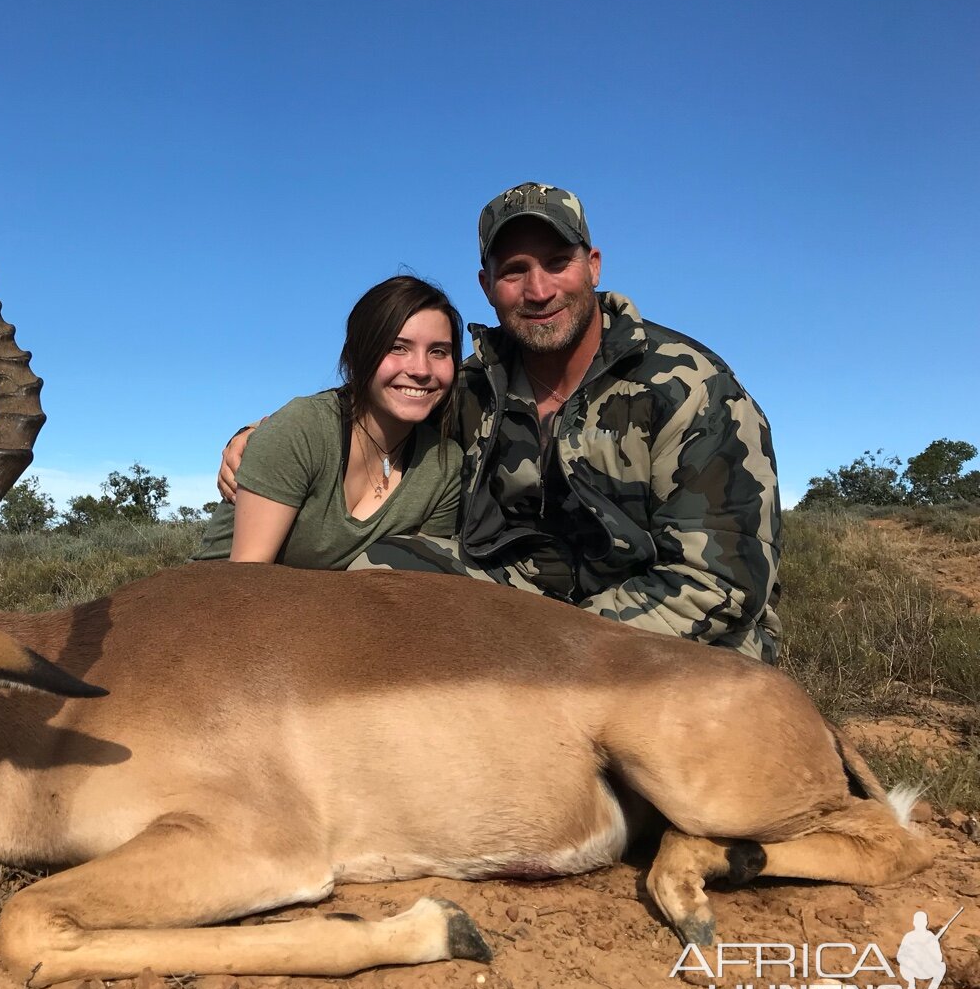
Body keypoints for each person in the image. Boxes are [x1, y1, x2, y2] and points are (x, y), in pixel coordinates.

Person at [219, 182, 782, 662]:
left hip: (655, 622)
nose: (538, 291)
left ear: (593, 266)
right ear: (487, 287)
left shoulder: (689, 387)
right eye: (514, 271)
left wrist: (553, 651)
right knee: (382, 569)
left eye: (557, 263)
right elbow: (374, 396)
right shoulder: (471, 384)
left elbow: (721, 585)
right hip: (526, 604)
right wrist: (255, 437)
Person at [194, 276, 465, 569]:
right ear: (357, 355)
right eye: (398, 347)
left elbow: (417, 581)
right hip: (218, 602)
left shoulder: (444, 466)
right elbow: (247, 580)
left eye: (439, 351)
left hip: (327, 609)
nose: (421, 369)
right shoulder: (303, 430)